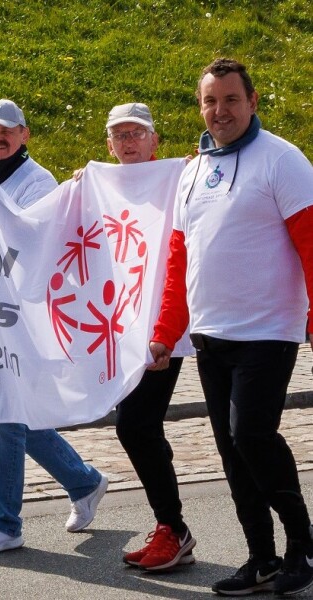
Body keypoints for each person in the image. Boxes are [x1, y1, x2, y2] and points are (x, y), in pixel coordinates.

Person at [149, 58, 313, 596]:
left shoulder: (282, 161)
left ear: (253, 101)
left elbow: (312, 247)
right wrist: (165, 332)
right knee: (231, 450)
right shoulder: (193, 170)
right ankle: (260, 558)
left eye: (231, 100)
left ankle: (302, 547)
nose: (220, 111)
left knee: (252, 436)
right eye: (210, 101)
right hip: (209, 334)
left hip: (268, 330)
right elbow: (178, 262)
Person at [0, 99, 108, 554]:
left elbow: (29, 241)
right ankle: (83, 482)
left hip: (27, 316)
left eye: (5, 130)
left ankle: (5, 522)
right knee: (19, 414)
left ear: (24, 134)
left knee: (6, 415)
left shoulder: (37, 181)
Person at [77, 103, 197, 571]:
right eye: (119, 135)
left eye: (136, 133)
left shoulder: (177, 180)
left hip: (166, 326)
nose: (127, 142)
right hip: (121, 325)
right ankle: (171, 526)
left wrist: (189, 171)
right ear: (109, 144)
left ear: (155, 140)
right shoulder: (98, 185)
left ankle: (174, 528)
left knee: (137, 424)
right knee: (142, 426)